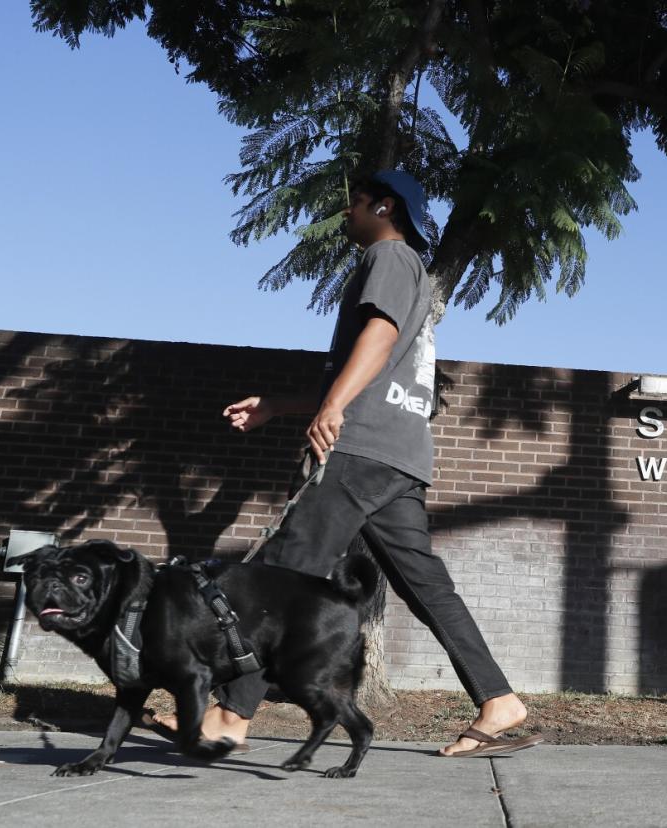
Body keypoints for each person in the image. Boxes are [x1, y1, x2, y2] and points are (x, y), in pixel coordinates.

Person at [152, 170, 539, 758]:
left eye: (353, 203)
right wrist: (280, 406)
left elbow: (377, 340)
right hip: (399, 454)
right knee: (428, 588)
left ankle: (229, 716)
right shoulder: (411, 271)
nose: (346, 214)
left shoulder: (388, 256)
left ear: (384, 206)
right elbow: (374, 375)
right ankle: (498, 700)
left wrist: (330, 407)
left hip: (357, 451)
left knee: (280, 577)